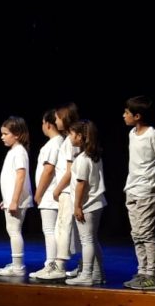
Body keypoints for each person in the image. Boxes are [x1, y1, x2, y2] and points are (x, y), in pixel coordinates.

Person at [122, 95, 155, 290]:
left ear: (138, 116)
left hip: (147, 191)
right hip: (132, 189)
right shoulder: (132, 134)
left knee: (146, 233)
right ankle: (142, 271)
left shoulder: (153, 135)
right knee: (136, 234)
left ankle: (153, 274)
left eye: (127, 113)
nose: (124, 115)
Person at [66, 120, 107, 286]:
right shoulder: (93, 156)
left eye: (71, 133)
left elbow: (81, 184)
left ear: (80, 136)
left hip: (87, 205)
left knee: (87, 240)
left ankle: (87, 274)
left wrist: (77, 206)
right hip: (95, 203)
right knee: (92, 239)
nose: (69, 137)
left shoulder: (83, 159)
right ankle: (97, 274)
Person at [0, 117, 34, 276]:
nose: (2, 137)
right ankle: (16, 263)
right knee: (11, 229)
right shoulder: (14, 151)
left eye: (6, 134)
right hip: (12, 199)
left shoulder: (19, 152)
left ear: (16, 134)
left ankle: (18, 267)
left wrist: (14, 201)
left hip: (17, 200)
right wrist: (7, 199)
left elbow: (20, 176)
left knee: (14, 230)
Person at [29, 110, 65, 279]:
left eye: (43, 123)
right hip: (51, 194)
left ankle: (52, 264)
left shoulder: (54, 144)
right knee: (53, 231)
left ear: (48, 124)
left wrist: (38, 193)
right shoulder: (59, 142)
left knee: (50, 231)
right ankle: (53, 264)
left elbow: (48, 170)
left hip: (50, 195)